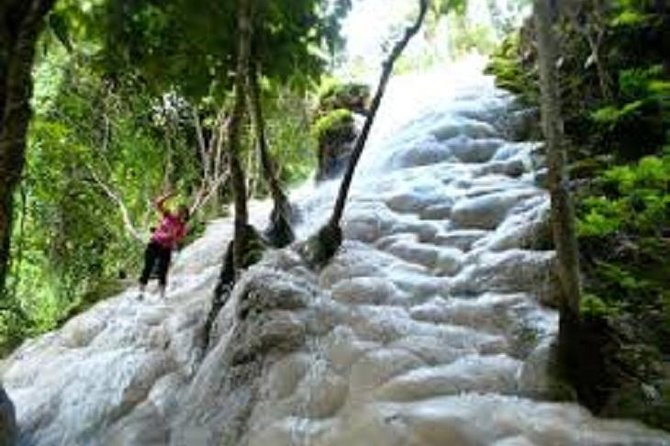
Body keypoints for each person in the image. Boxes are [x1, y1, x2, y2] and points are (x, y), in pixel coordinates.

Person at [138, 191, 189, 299]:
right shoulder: (168, 216)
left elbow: (179, 239)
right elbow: (158, 204)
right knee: (147, 268)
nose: (179, 212)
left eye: (182, 212)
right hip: (154, 243)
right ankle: (141, 293)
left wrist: (173, 237)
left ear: (185, 215)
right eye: (179, 210)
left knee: (163, 271)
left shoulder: (182, 227)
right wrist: (168, 196)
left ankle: (162, 296)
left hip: (166, 248)